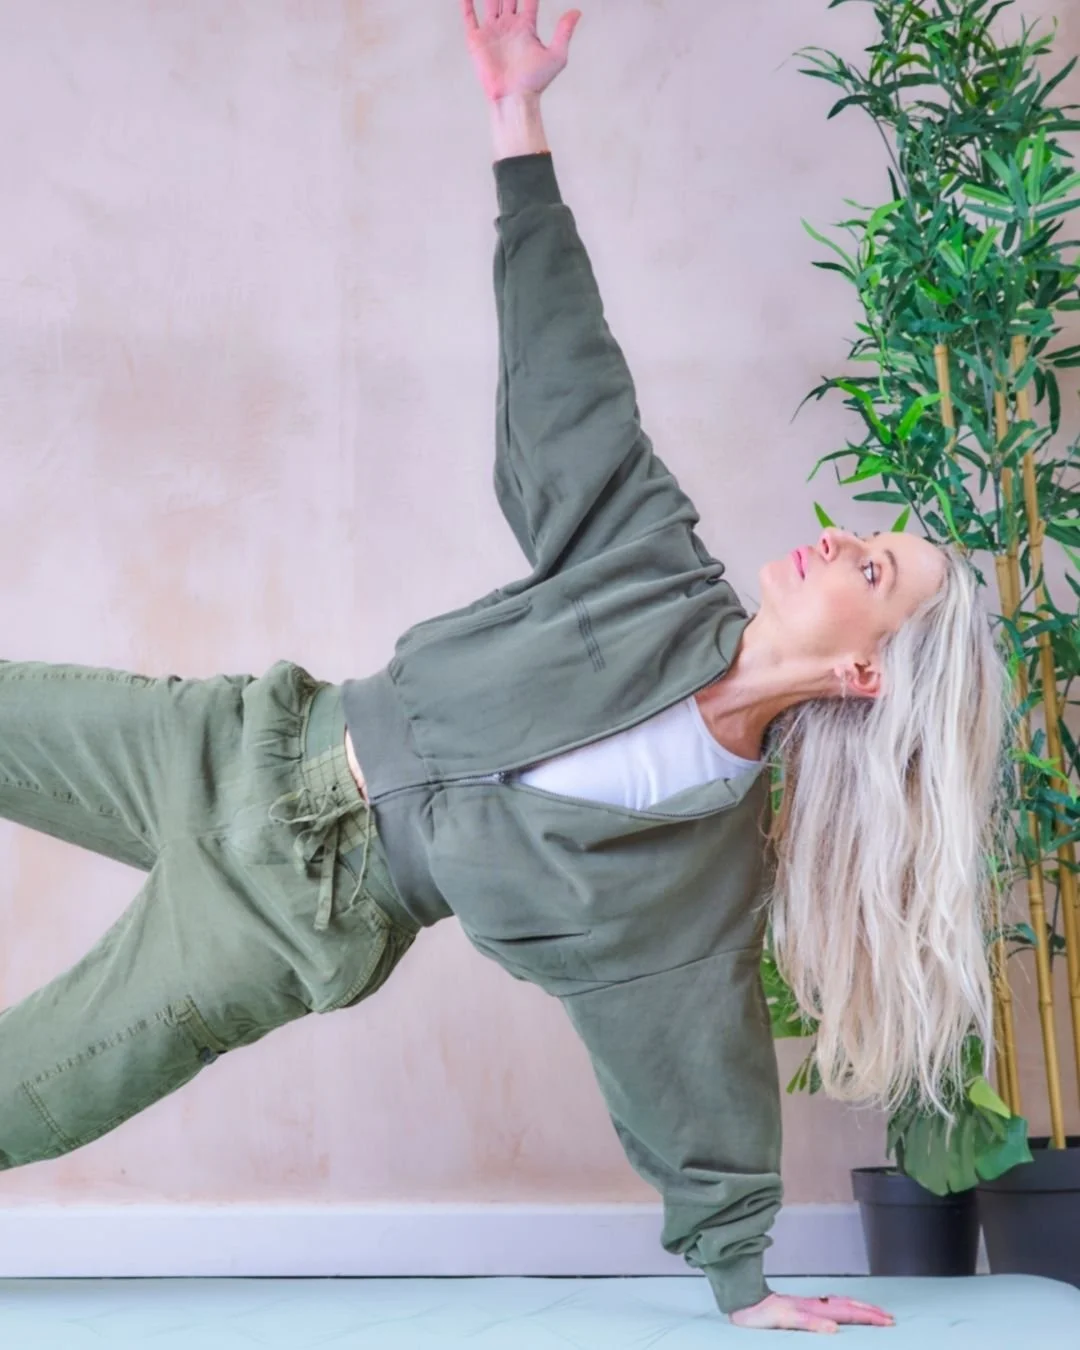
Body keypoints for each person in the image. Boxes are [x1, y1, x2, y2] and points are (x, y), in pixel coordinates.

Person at [0, 0, 1013, 1334]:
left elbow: (693, 1067)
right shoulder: (652, 563)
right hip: (234, 742)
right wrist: (515, 119)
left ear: (868, 677)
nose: (840, 537)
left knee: (19, 1096)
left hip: (270, 928)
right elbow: (568, 380)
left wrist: (743, 1279)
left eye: (874, 569)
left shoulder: (696, 877)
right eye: (869, 534)